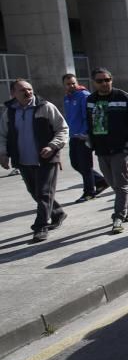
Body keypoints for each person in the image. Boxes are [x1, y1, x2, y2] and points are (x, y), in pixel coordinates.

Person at [0, 79, 68, 242]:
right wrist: (3, 154)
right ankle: (57, 212)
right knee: (35, 192)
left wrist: (52, 146)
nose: (28, 92)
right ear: (13, 93)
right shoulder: (9, 112)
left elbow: (62, 129)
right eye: (23, 90)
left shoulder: (45, 107)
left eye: (30, 89)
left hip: (47, 159)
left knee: (44, 193)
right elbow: (2, 135)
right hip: (23, 160)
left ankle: (40, 227)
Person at [87, 67, 128, 235]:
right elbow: (90, 123)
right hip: (101, 149)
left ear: (111, 80)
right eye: (100, 81)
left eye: (107, 80)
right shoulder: (90, 100)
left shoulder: (122, 96)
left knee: (120, 184)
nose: (104, 83)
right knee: (113, 183)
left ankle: (118, 217)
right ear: (94, 83)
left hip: (121, 148)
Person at [62, 73, 107, 203]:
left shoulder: (84, 96)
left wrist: (86, 133)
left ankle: (89, 192)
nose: (71, 85)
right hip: (73, 136)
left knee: (85, 165)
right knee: (75, 164)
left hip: (83, 136)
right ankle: (101, 181)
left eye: (73, 83)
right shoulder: (67, 98)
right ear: (64, 85)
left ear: (77, 83)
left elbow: (88, 116)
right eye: (68, 84)